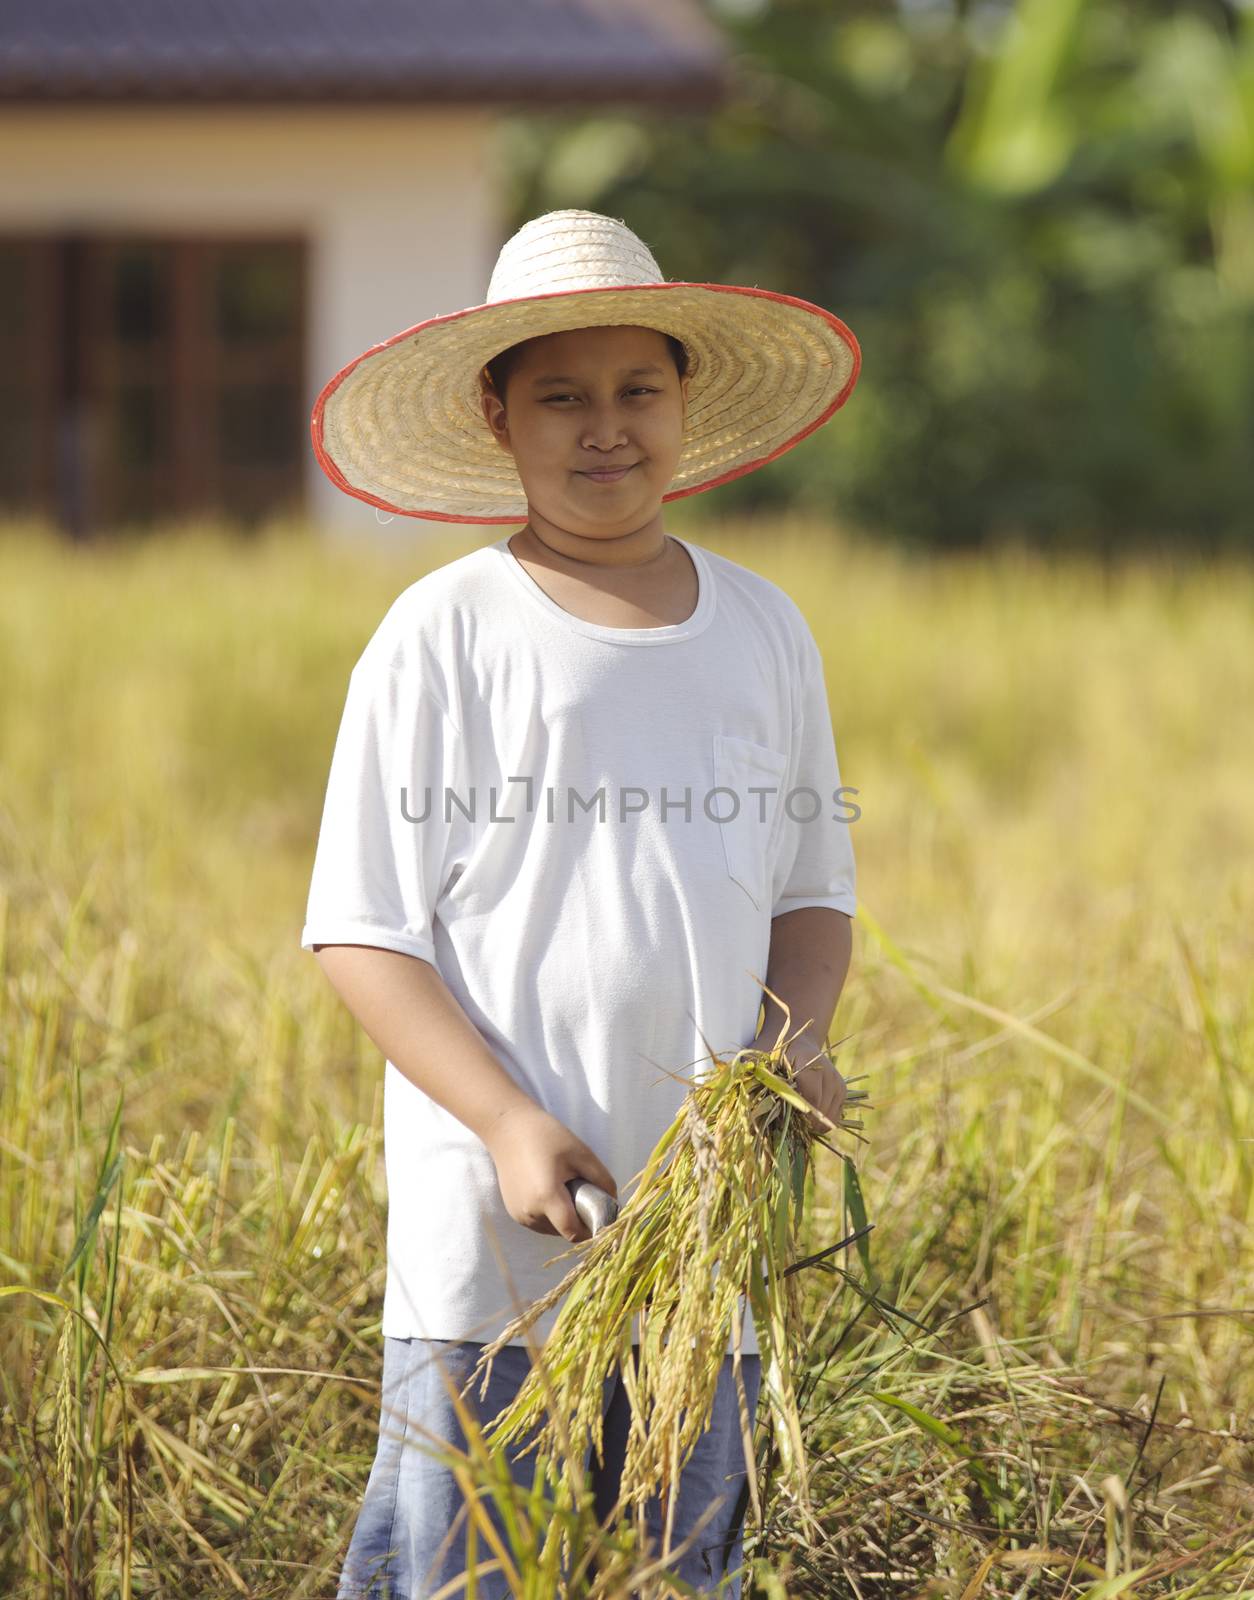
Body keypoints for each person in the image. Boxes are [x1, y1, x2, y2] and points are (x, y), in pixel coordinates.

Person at [301, 208, 862, 1598]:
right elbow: (360, 928)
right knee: (468, 1561)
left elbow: (810, 892)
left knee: (678, 1564)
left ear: (685, 406)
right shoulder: (445, 633)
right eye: (560, 396)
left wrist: (796, 1041)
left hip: (692, 1221)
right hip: (492, 1234)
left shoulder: (761, 628)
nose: (604, 428)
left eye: (636, 392)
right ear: (499, 417)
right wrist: (502, 1122)